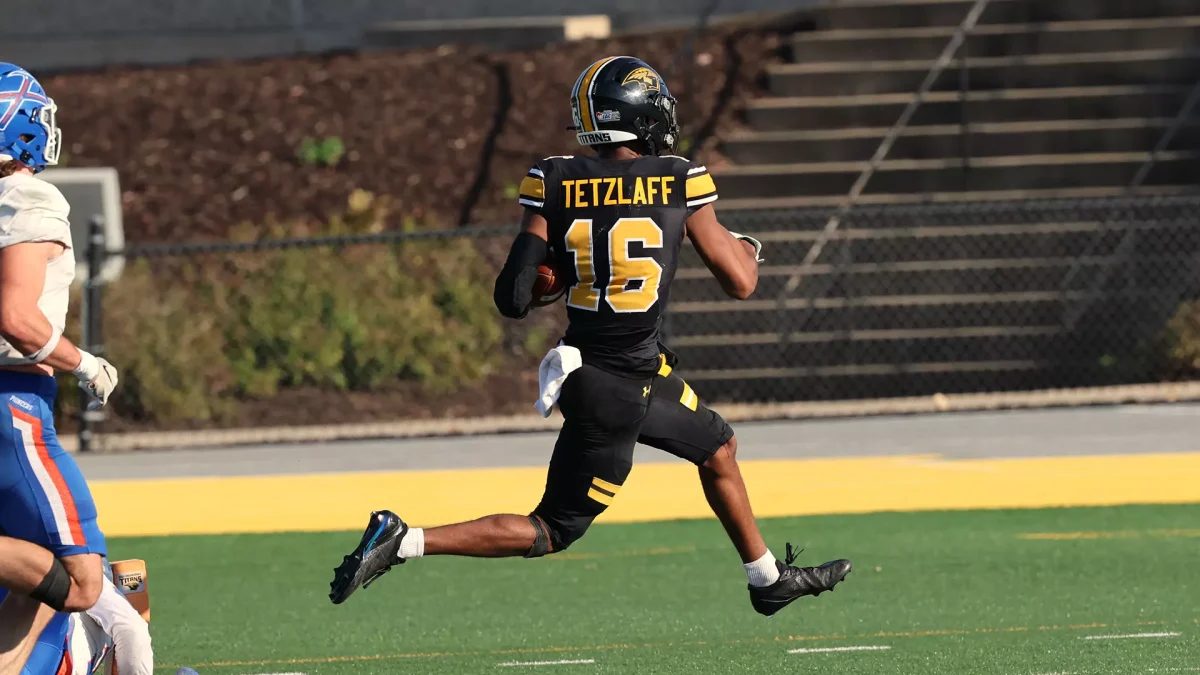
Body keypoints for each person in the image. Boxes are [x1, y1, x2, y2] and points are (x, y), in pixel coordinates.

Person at [329, 56, 850, 617]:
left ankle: (767, 579)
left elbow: (514, 296)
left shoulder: (554, 178)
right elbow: (741, 282)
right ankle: (403, 540)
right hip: (616, 389)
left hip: (623, 371)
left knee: (718, 448)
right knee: (550, 530)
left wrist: (559, 275)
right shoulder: (679, 177)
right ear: (643, 115)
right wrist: (743, 243)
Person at [0, 63, 120, 675]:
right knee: (81, 581)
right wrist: (84, 361)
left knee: (32, 571)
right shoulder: (27, 195)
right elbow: (17, 319)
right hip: (12, 404)